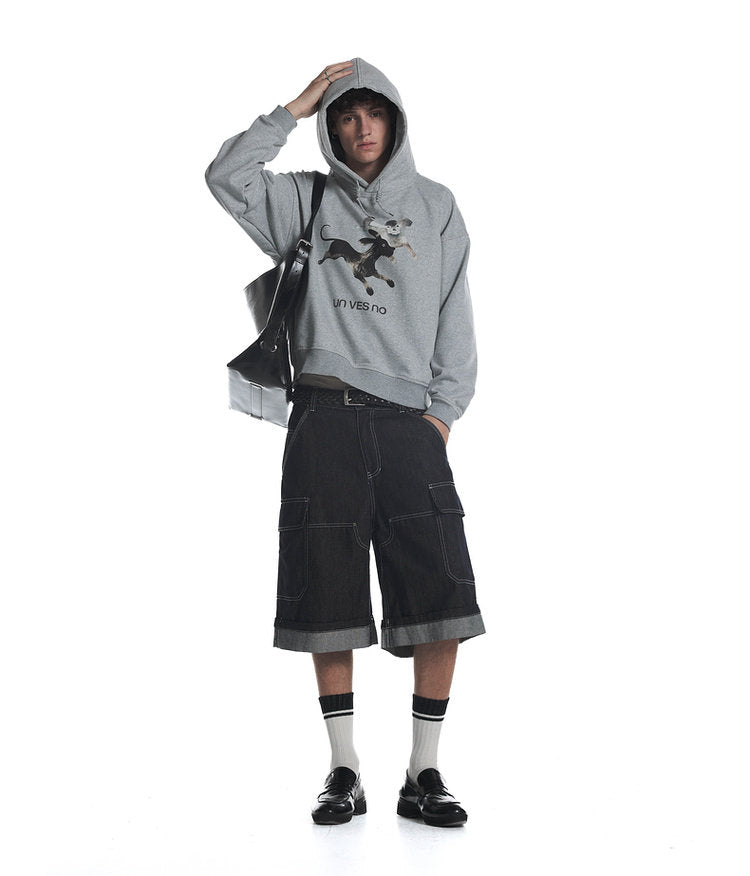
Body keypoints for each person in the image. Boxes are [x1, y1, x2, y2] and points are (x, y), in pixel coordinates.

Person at [205, 58, 485, 828]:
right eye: (346, 117)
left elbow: (455, 318)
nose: (361, 128)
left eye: (373, 113)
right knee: (325, 589)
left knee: (440, 593)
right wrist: (294, 107)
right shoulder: (306, 199)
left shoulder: (436, 206)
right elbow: (227, 176)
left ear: (395, 118)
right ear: (331, 128)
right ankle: (344, 769)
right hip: (323, 417)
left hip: (409, 423)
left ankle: (425, 770)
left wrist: (440, 417)